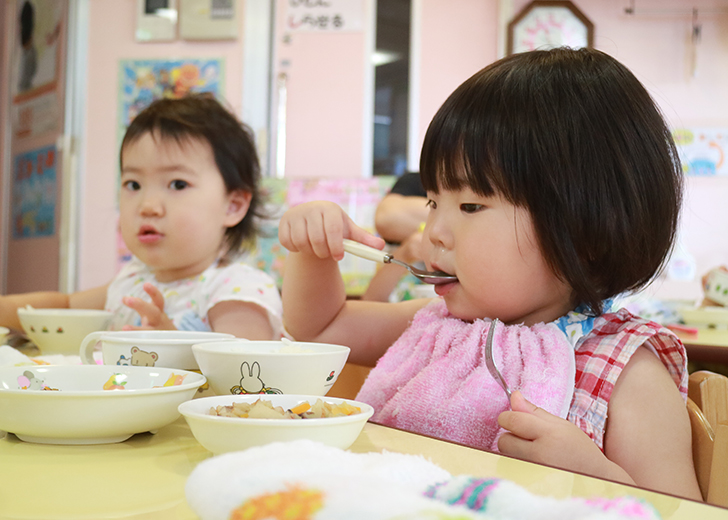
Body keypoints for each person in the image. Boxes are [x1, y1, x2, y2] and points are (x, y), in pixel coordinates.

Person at [278, 48, 701, 499]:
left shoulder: (625, 370)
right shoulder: (435, 326)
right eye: (433, 202)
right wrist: (314, 251)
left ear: (586, 231)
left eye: (471, 206)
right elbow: (320, 329)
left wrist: (589, 473)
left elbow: (682, 512)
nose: (434, 232)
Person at [0, 94, 283, 340]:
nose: (148, 206)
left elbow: (243, 373)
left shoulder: (237, 290)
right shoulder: (134, 280)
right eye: (133, 184)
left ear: (232, 206)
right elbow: (65, 307)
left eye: (178, 184)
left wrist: (172, 344)